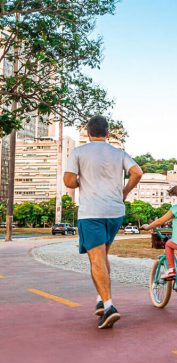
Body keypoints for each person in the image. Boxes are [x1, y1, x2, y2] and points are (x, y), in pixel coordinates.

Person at [64, 115, 143, 329]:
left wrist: (82, 179)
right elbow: (137, 172)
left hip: (92, 213)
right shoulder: (119, 153)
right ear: (107, 134)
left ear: (88, 133)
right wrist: (124, 192)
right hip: (115, 212)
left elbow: (69, 181)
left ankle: (108, 306)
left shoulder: (79, 152)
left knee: (96, 259)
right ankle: (100, 298)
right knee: (102, 256)